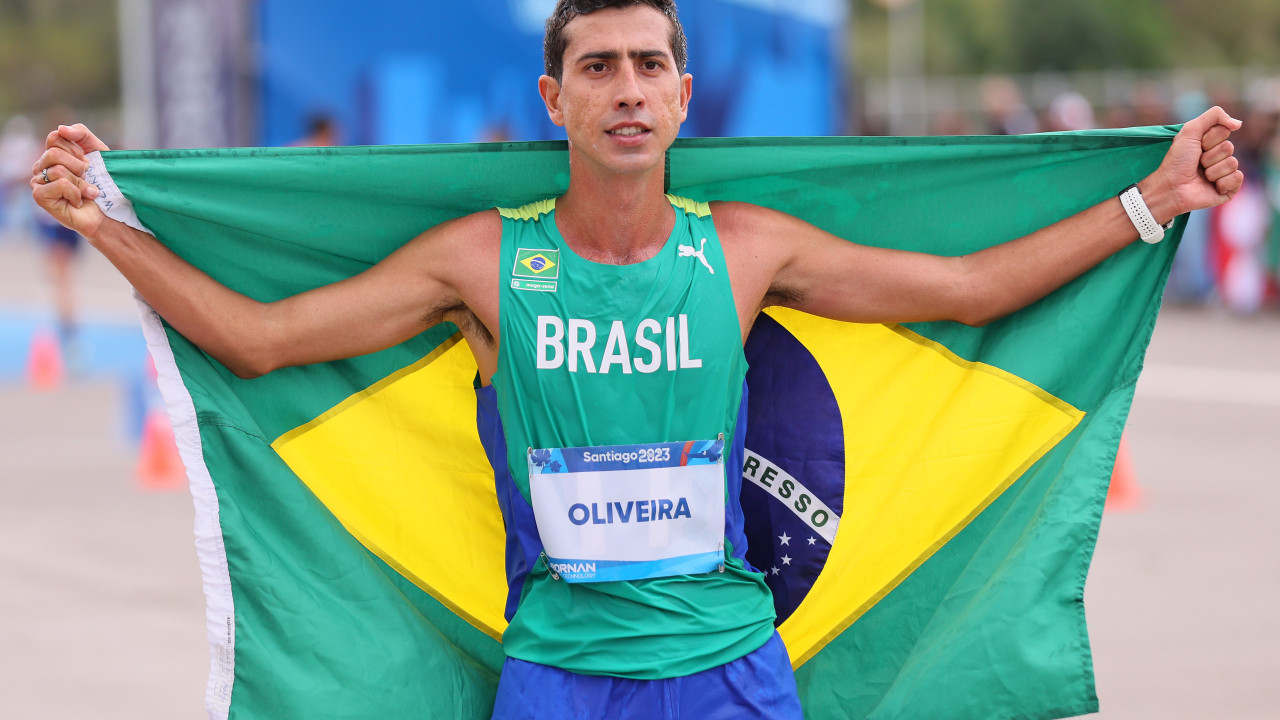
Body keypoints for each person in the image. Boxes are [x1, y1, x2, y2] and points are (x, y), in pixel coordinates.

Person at [30, 1, 1243, 717]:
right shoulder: (478, 263)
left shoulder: (749, 250)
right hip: (558, 673)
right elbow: (255, 341)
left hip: (726, 664)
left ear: (682, 97)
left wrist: (1152, 198)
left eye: (648, 67)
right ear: (554, 98)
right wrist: (99, 225)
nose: (626, 91)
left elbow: (970, 291)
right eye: (598, 68)